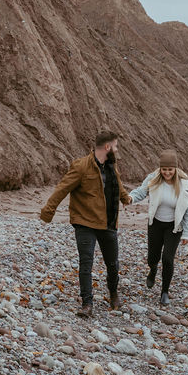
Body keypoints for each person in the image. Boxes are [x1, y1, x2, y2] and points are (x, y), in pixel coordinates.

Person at [39, 131, 132, 317]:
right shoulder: (81, 166)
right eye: (115, 146)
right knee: (86, 263)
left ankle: (114, 295)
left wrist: (126, 197)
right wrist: (48, 211)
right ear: (107, 147)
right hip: (85, 222)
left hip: (108, 223)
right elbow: (62, 188)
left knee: (113, 264)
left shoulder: (112, 166)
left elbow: (118, 185)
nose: (116, 149)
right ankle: (87, 304)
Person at [129, 149, 188, 306]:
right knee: (153, 257)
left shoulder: (185, 184)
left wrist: (187, 233)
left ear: (175, 169)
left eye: (170, 170)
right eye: (164, 169)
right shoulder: (153, 178)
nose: (167, 173)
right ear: (160, 169)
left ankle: (164, 291)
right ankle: (152, 270)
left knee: (167, 258)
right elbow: (141, 191)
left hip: (174, 227)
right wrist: (130, 197)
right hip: (156, 224)